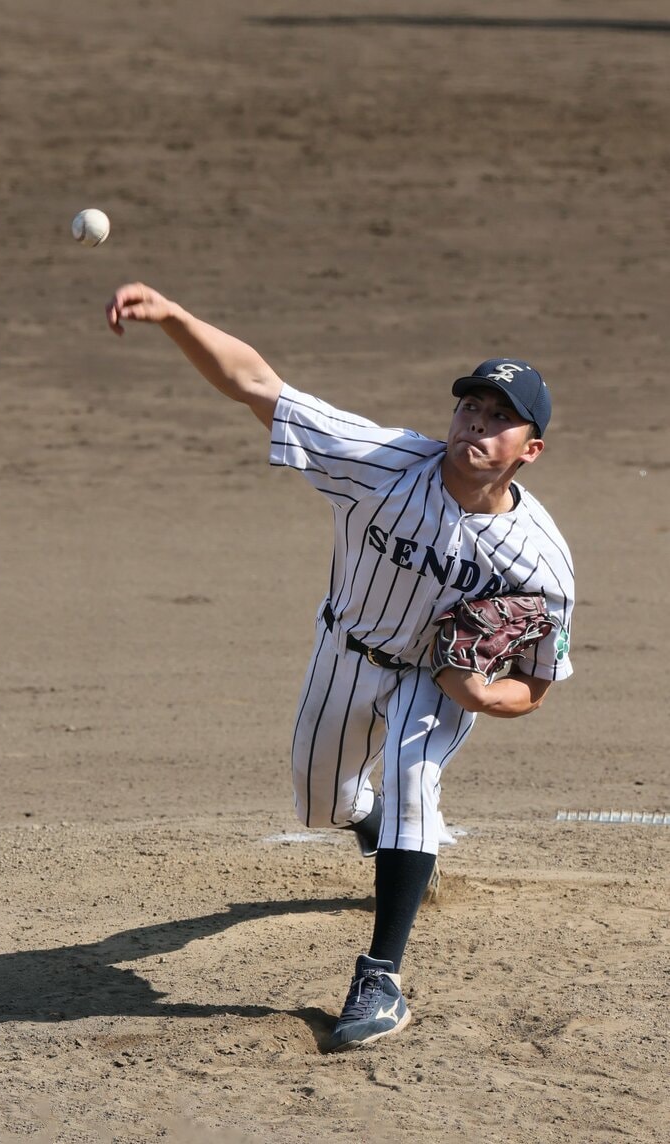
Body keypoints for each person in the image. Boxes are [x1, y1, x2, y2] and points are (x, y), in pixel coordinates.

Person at [105, 282, 575, 1052]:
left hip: (432, 680)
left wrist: (483, 695)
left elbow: (537, 681)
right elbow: (257, 384)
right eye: (470, 407)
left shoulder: (540, 559)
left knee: (415, 784)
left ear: (530, 449)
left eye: (500, 418)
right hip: (344, 650)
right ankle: (373, 826)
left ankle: (379, 977)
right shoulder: (382, 463)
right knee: (321, 803)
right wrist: (175, 317)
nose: (477, 423)